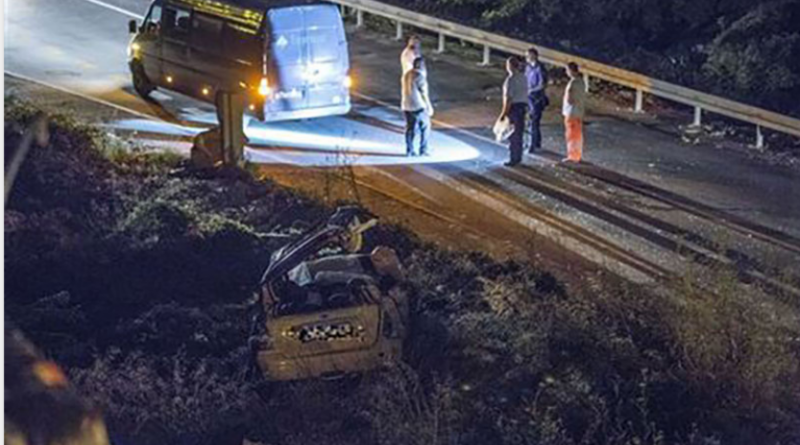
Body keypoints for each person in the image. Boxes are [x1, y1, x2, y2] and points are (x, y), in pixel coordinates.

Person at [401, 57, 434, 157]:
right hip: (418, 106)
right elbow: (424, 93)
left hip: (406, 105)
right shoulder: (419, 76)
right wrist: (429, 106)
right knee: (425, 127)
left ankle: (409, 150)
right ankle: (423, 149)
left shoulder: (406, 74)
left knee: (410, 129)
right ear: (421, 66)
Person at [499, 56, 528, 166]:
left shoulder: (510, 80)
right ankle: (519, 156)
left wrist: (504, 113)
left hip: (514, 108)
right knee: (519, 133)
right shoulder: (523, 77)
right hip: (523, 106)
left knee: (512, 134)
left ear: (510, 66)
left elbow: (508, 98)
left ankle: (513, 158)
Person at [525, 47, 549, 153]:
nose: (527, 58)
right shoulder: (529, 67)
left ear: (534, 56)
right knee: (532, 121)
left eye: (528, 55)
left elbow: (542, 84)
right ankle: (536, 142)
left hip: (537, 98)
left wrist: (531, 90)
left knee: (534, 121)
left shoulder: (540, 68)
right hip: (530, 98)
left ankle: (532, 144)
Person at [562, 62, 587, 162]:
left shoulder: (572, 83)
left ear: (571, 70)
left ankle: (572, 156)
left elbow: (569, 98)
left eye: (567, 70)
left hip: (571, 112)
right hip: (579, 111)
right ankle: (577, 154)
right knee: (578, 134)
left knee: (571, 134)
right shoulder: (582, 82)